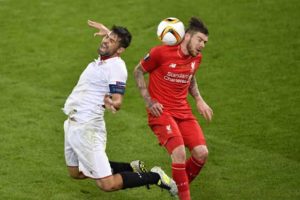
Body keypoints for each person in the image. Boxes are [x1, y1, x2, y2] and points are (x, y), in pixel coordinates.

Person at [63, 20, 178, 196]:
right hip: (72, 125)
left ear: (120, 50)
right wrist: (109, 34)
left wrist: (112, 103)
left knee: (107, 184)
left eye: (112, 40)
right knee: (76, 172)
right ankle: (131, 167)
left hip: (88, 128)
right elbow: (112, 45)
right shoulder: (103, 60)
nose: (106, 41)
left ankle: (155, 177)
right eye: (108, 37)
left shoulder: (116, 67)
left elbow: (118, 101)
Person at [133, 17, 213, 200]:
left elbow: (190, 76)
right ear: (187, 37)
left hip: (183, 111)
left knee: (202, 153)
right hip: (161, 112)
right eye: (199, 40)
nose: (202, 46)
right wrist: (149, 101)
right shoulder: (160, 53)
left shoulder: (196, 58)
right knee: (179, 152)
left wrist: (199, 100)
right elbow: (138, 71)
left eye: (205, 42)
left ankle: (173, 185)